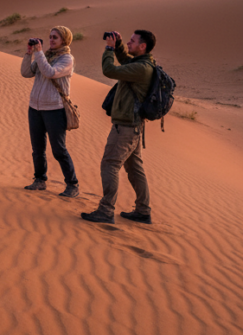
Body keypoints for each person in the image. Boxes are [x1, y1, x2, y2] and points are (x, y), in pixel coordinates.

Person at [81, 29, 157, 225]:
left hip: (125, 127)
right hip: (132, 126)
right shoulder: (141, 64)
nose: (130, 43)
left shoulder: (141, 68)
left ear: (143, 46)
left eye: (133, 41)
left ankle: (106, 210)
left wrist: (109, 48)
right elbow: (125, 61)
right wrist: (120, 45)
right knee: (134, 168)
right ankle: (143, 210)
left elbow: (110, 70)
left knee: (110, 164)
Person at [21, 26, 79, 197]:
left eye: (55, 37)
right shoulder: (45, 56)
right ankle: (40, 180)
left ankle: (72, 184)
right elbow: (25, 73)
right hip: (35, 108)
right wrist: (28, 53)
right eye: (50, 37)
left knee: (58, 149)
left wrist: (39, 54)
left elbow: (50, 72)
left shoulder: (67, 59)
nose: (51, 40)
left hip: (55, 109)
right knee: (37, 148)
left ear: (64, 40)